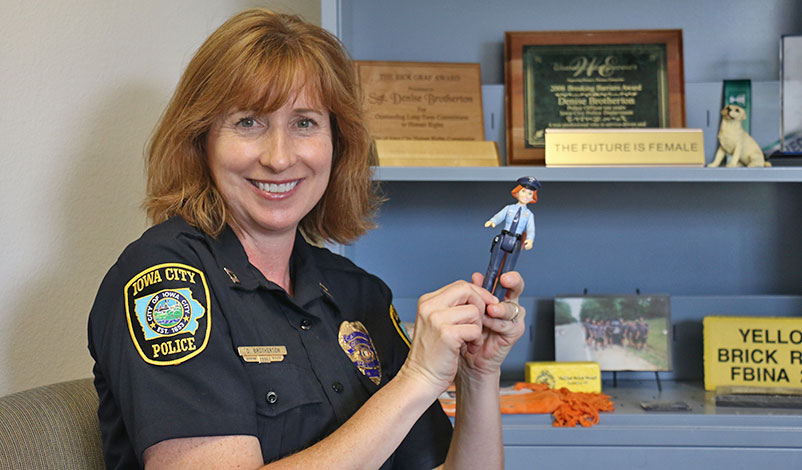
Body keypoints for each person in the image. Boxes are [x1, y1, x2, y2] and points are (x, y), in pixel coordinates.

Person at [87, 8, 526, 470]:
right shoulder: (166, 281)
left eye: (304, 123)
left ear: (338, 144)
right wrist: (416, 378)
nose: (279, 158)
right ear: (201, 140)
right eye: (249, 122)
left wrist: (477, 373)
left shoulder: (358, 291)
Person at [482, 176, 540, 298]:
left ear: (532, 197)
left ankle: (498, 299)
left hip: (516, 242)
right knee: (493, 269)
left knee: (506, 274)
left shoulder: (528, 214)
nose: (525, 195)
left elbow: (531, 229)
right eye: (523, 191)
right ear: (517, 192)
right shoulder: (509, 208)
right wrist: (492, 221)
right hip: (503, 237)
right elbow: (499, 216)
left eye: (529, 193)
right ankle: (485, 295)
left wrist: (530, 240)